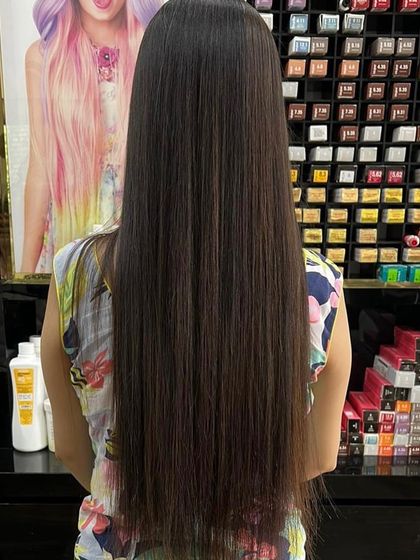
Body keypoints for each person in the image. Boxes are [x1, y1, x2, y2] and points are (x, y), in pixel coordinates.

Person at [41, 1, 352, 559]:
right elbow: (318, 455)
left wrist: (128, 490)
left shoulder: (75, 275)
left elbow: (69, 448)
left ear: (149, 108)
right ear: (263, 120)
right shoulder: (317, 290)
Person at [21, 0, 162, 273]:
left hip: (139, 241)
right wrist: (24, 274)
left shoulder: (154, 50)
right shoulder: (44, 57)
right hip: (71, 237)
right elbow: (40, 168)